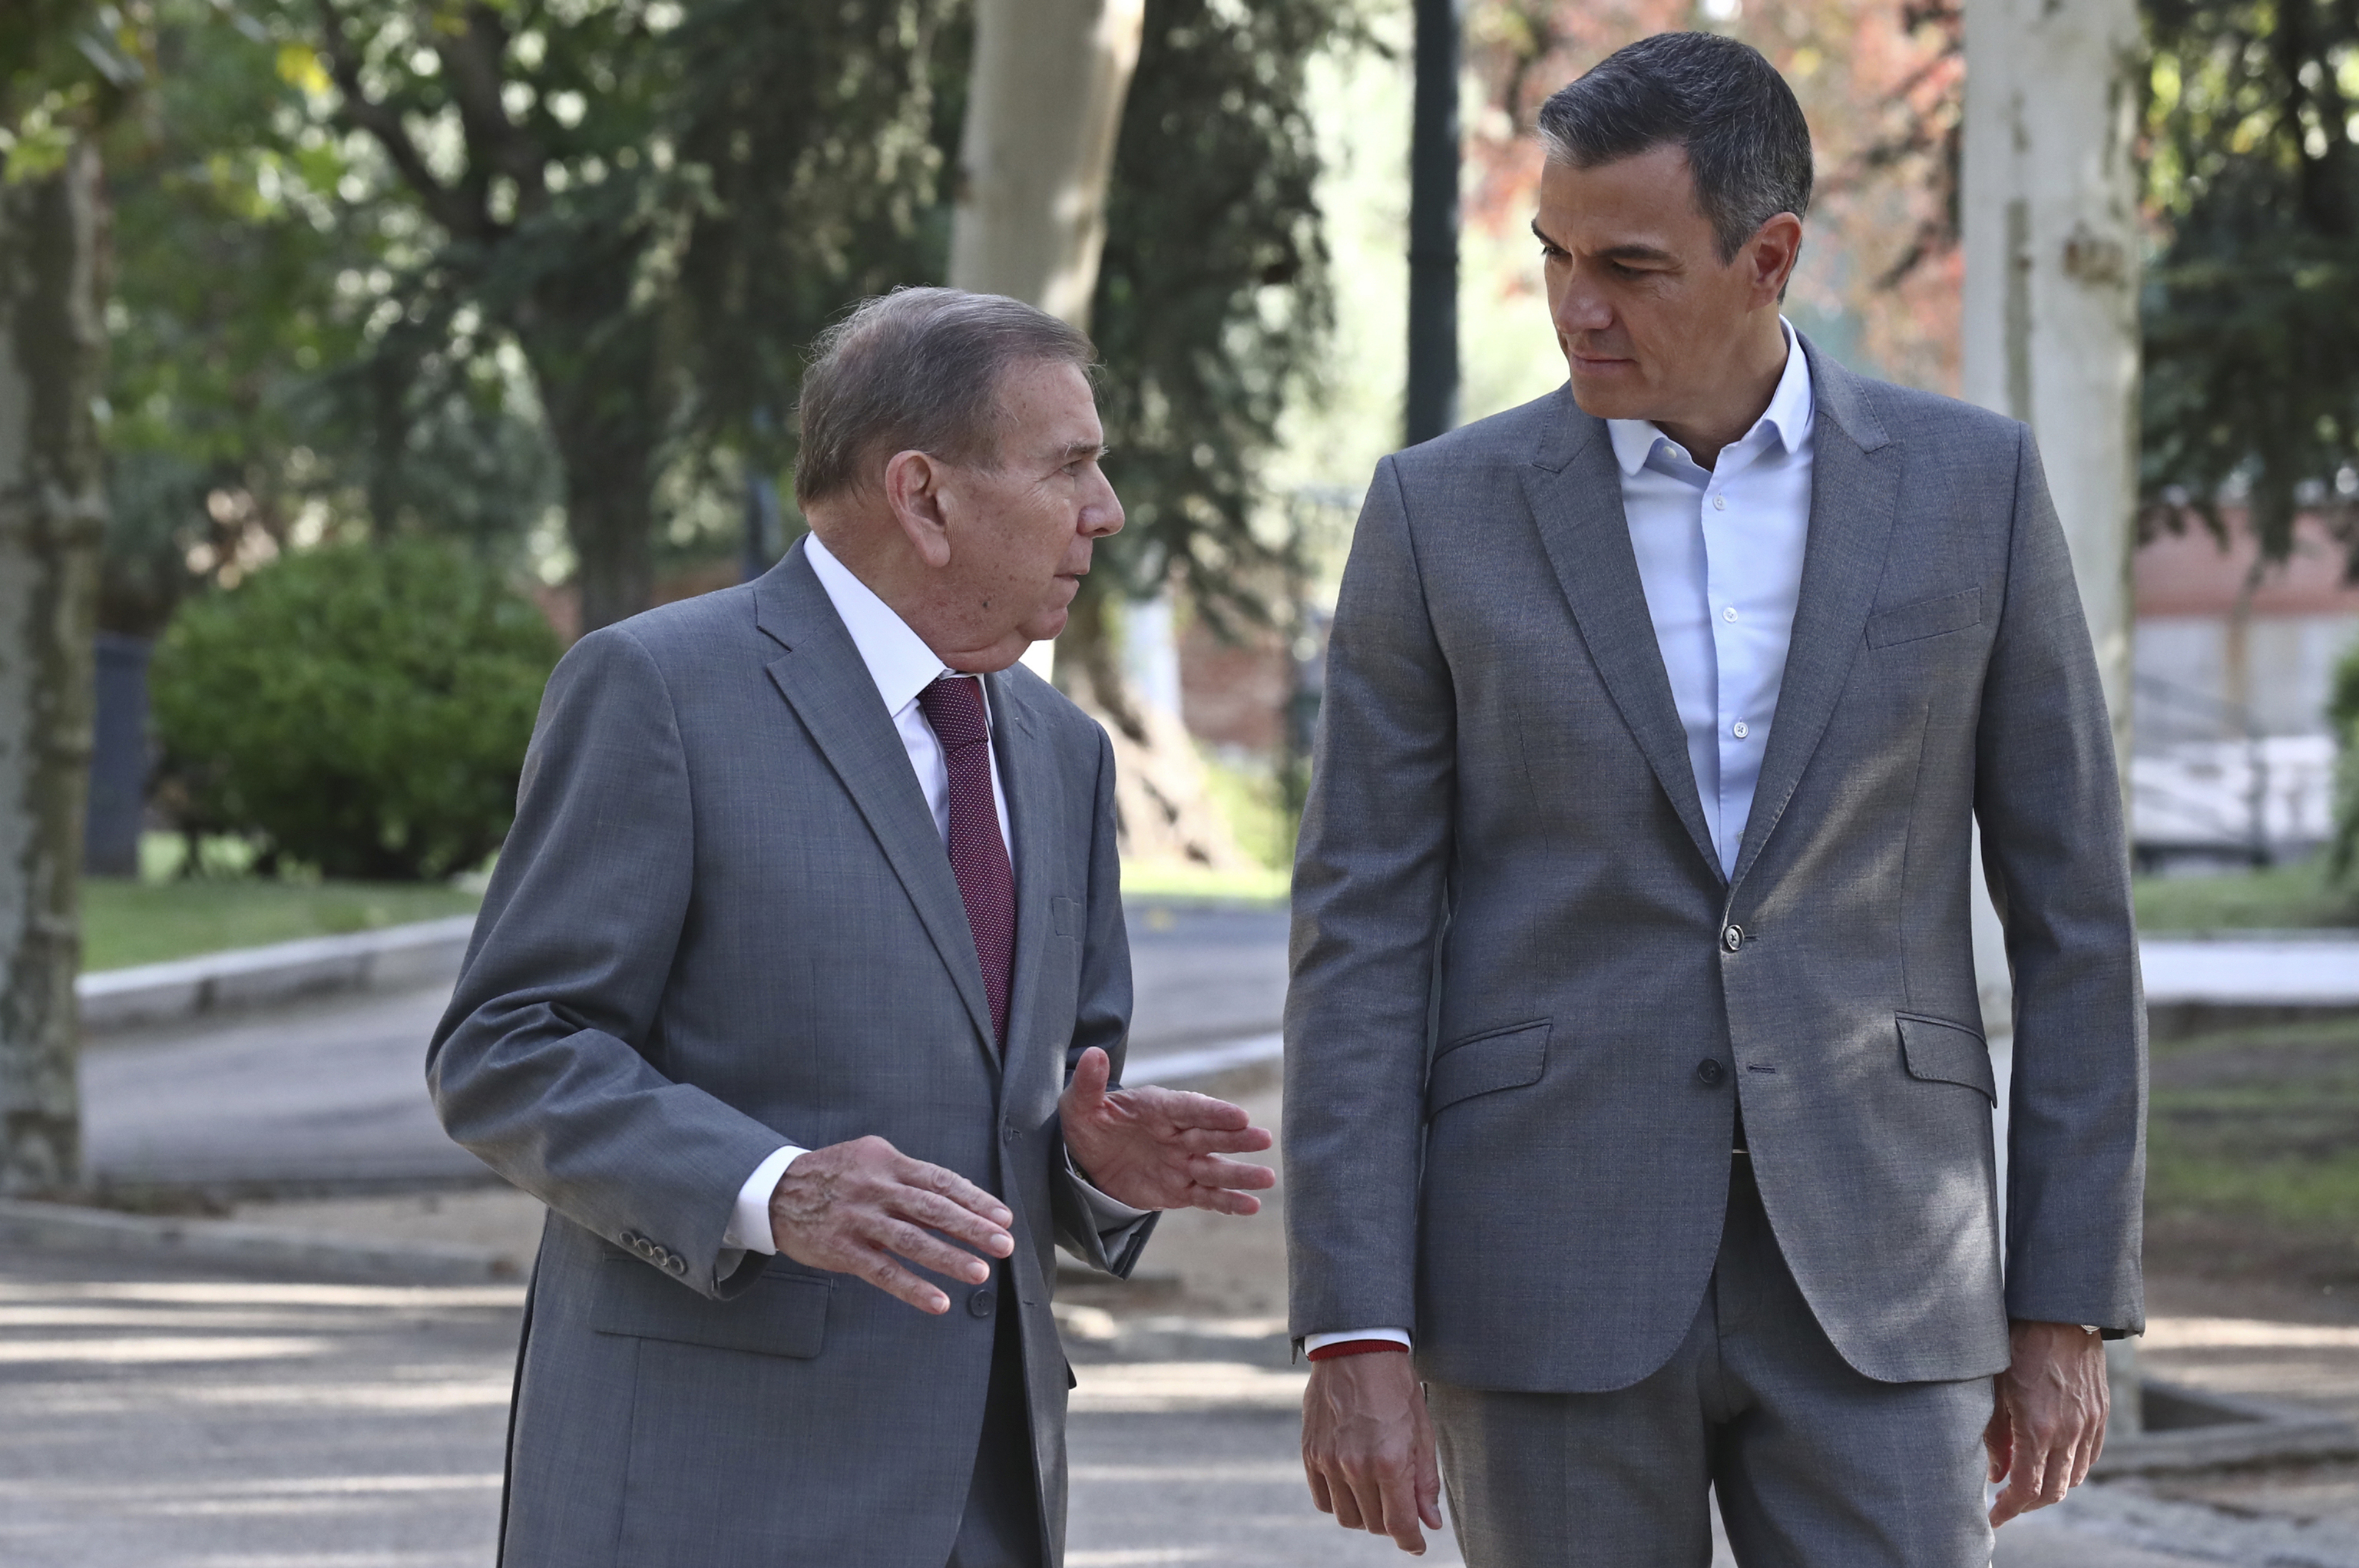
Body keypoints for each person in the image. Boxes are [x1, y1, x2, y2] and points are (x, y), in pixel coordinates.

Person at [1283, 32, 2144, 1566]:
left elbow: (2075, 918)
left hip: (1887, 1264)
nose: (1573, 307)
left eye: (1627, 264)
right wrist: (1353, 1322)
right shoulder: (1435, 516)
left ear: (1771, 259)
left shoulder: (1975, 489)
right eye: (1552, 254)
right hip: (1544, 1273)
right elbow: (1359, 934)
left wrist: (2064, 1295)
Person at [429, 286, 1277, 1568]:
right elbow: (509, 1047)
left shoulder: (1063, 752)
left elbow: (1031, 1116)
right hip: (706, 1490)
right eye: (1071, 468)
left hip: (990, 1496)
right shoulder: (659, 689)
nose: (1104, 511)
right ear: (924, 496)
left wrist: (1095, 1166)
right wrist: (775, 1189)